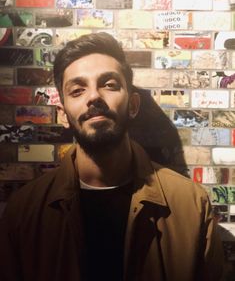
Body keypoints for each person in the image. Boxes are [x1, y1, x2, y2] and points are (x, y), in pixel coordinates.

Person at [0, 32, 224, 281]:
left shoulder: (191, 206)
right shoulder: (24, 213)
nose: (94, 97)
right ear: (62, 114)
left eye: (109, 85)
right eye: (77, 90)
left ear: (133, 105)